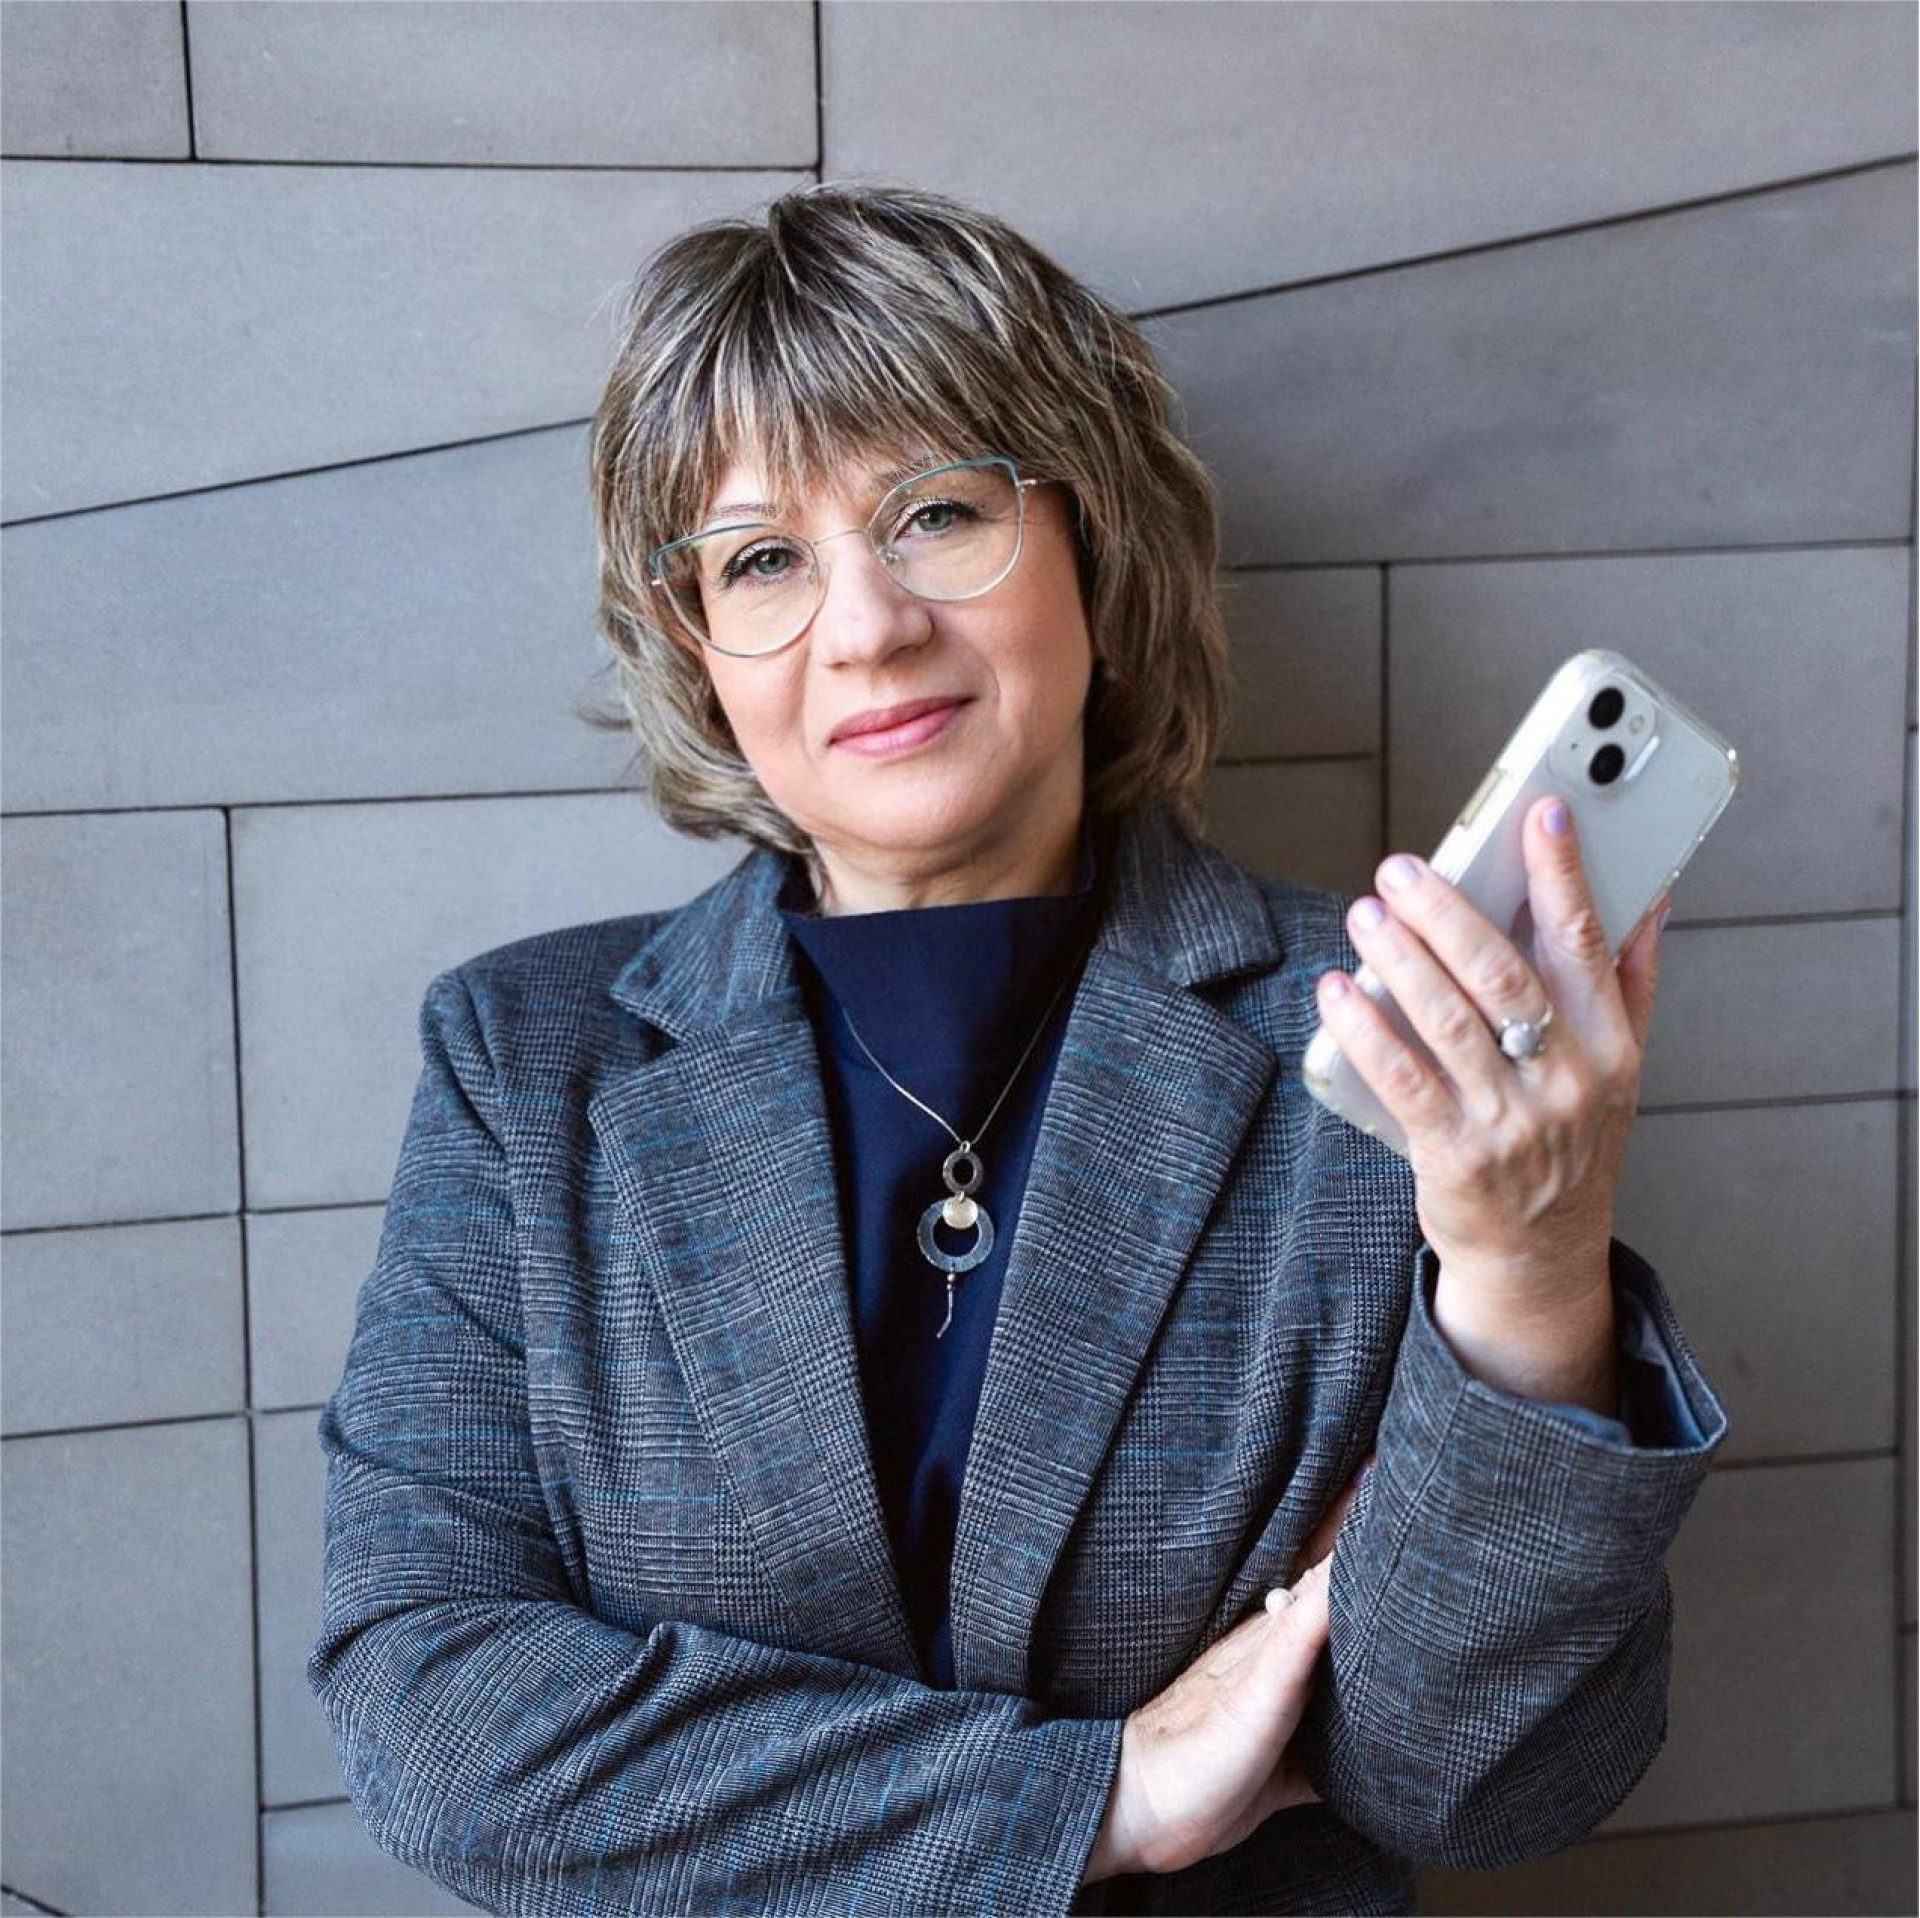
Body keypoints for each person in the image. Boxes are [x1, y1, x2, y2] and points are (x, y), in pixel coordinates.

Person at [308, 181, 1727, 1916]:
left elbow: (1476, 1778)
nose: (867, 625)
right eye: (762, 560)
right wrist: (1099, 1793)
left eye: (937, 513)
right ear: (699, 647)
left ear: (1094, 551)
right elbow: (433, 1712)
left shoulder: (1379, 1042)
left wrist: (1531, 1271)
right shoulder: (524, 1066)